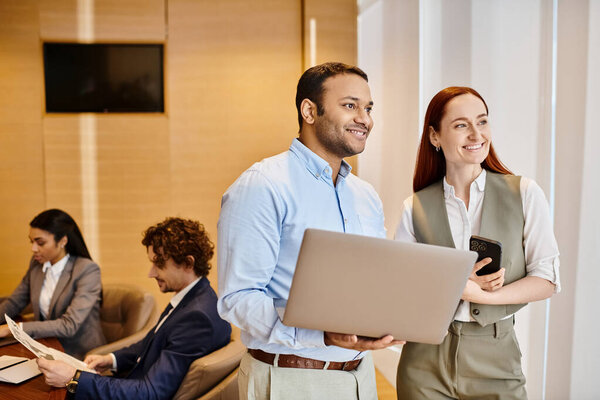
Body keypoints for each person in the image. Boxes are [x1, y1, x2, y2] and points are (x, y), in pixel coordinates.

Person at [217, 62, 403, 400]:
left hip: (361, 378)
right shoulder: (262, 185)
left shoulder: (366, 196)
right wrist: (322, 334)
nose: (365, 118)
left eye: (369, 107)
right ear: (309, 110)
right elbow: (237, 299)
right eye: (350, 105)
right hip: (289, 379)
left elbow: (372, 283)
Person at [394, 86, 561, 399]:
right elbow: (402, 291)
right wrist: (455, 282)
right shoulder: (414, 207)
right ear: (434, 136)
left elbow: (547, 279)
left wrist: (479, 295)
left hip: (496, 356)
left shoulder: (524, 193)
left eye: (482, 122)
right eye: (461, 125)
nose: (476, 134)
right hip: (424, 361)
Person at [36, 217, 231, 400]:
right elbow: (153, 343)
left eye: (159, 263)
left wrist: (74, 378)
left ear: (188, 263)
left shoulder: (197, 318)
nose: (151, 273)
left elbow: (150, 392)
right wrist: (111, 359)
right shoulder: (195, 297)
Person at [0, 209, 105, 359]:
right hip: (44, 346)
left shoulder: (87, 270)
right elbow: (15, 302)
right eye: (32, 242)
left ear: (63, 241)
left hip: (79, 353)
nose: (33, 249)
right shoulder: (37, 264)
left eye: (40, 242)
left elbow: (69, 325)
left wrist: (12, 329)